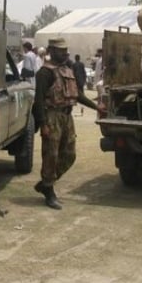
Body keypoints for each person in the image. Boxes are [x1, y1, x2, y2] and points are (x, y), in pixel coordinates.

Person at [32, 38, 105, 209]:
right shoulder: (45, 72)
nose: (65, 53)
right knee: (51, 155)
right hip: (52, 116)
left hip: (67, 117)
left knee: (69, 154)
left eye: (66, 50)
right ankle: (49, 191)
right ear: (51, 51)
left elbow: (77, 94)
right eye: (60, 51)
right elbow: (39, 100)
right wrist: (43, 124)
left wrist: (96, 107)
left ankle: (46, 183)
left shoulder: (67, 69)